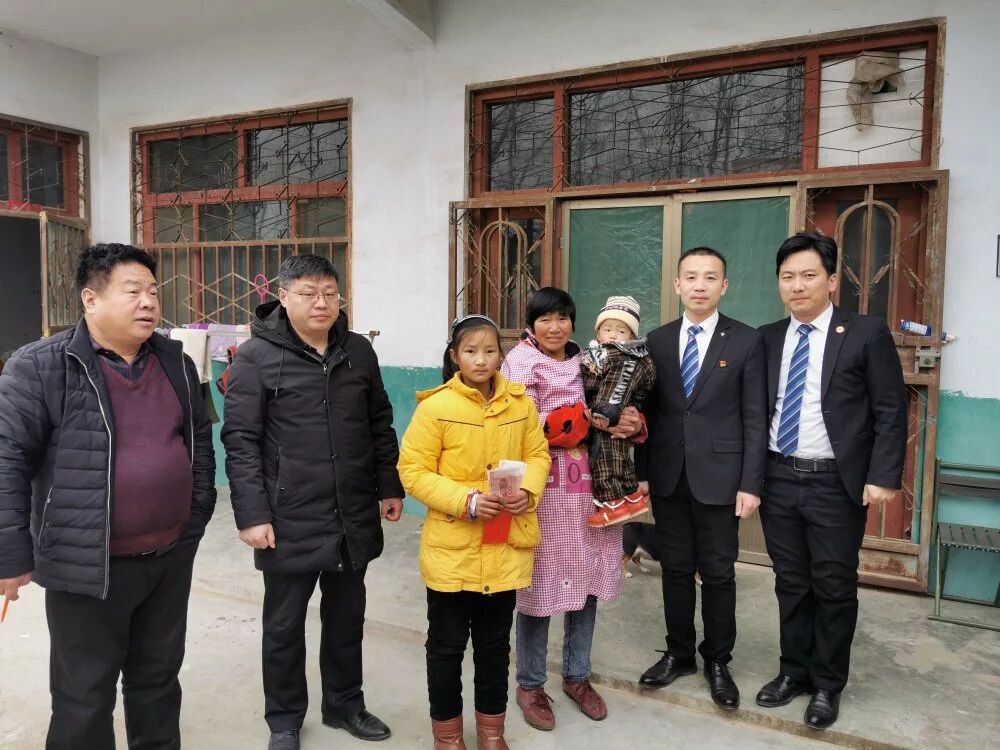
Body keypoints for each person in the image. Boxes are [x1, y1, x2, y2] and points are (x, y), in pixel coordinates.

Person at [0, 243, 216, 750]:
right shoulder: (40, 366)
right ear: (90, 299)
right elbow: (8, 460)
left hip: (169, 558)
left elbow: (199, 440)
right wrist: (10, 554)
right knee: (84, 697)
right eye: (133, 291)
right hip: (86, 567)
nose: (149, 302)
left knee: (158, 682)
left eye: (154, 291)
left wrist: (195, 515)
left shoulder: (176, 362)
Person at [221, 254, 404, 750]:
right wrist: (252, 515)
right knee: (284, 625)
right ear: (283, 297)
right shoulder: (255, 358)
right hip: (288, 515)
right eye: (308, 293)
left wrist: (388, 485)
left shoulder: (357, 351)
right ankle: (284, 718)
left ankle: (344, 704)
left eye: (330, 293)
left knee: (347, 618)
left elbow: (379, 422)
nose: (321, 303)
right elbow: (240, 441)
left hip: (351, 511)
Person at [755, 232, 906, 730]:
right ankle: (792, 672)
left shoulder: (865, 332)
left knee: (834, 585)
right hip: (779, 476)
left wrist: (882, 475)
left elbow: (890, 409)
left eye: (808, 275)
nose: (797, 286)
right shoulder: (768, 337)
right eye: (788, 277)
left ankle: (826, 684)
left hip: (835, 483)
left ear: (833, 280)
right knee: (790, 582)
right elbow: (757, 412)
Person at [397, 314, 551, 750]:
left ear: (501, 355)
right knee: (446, 647)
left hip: (503, 543)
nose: (480, 360)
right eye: (470, 351)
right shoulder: (436, 408)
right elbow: (413, 471)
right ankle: (447, 738)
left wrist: (528, 490)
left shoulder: (520, 404)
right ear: (455, 356)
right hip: (452, 550)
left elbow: (538, 455)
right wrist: (464, 500)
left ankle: (491, 733)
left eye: (489, 351)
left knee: (494, 646)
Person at [501, 288, 643, 731]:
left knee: (587, 581)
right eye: (545, 319)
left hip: (591, 487)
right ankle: (530, 683)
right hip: (542, 491)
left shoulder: (589, 359)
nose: (554, 327)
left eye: (563, 318)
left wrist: (629, 419)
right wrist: (582, 420)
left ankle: (577, 676)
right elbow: (515, 424)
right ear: (531, 324)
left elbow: (619, 401)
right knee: (538, 588)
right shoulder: (520, 362)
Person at [636, 247, 767, 711]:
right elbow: (648, 414)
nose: (699, 285)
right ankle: (679, 653)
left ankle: (717, 660)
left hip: (721, 478)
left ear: (723, 286)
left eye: (710, 277)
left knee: (718, 573)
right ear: (677, 285)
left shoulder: (747, 340)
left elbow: (755, 418)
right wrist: (643, 474)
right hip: (669, 475)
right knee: (674, 569)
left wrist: (751, 483)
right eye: (690, 276)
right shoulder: (657, 340)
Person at [580, 295, 656, 528]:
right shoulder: (596, 353)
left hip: (609, 420)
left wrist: (603, 413)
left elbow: (615, 387)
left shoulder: (623, 356)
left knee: (605, 463)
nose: (613, 335)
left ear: (632, 336)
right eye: (607, 329)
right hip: (613, 420)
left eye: (621, 331)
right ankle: (631, 497)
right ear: (598, 332)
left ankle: (612, 504)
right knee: (620, 462)